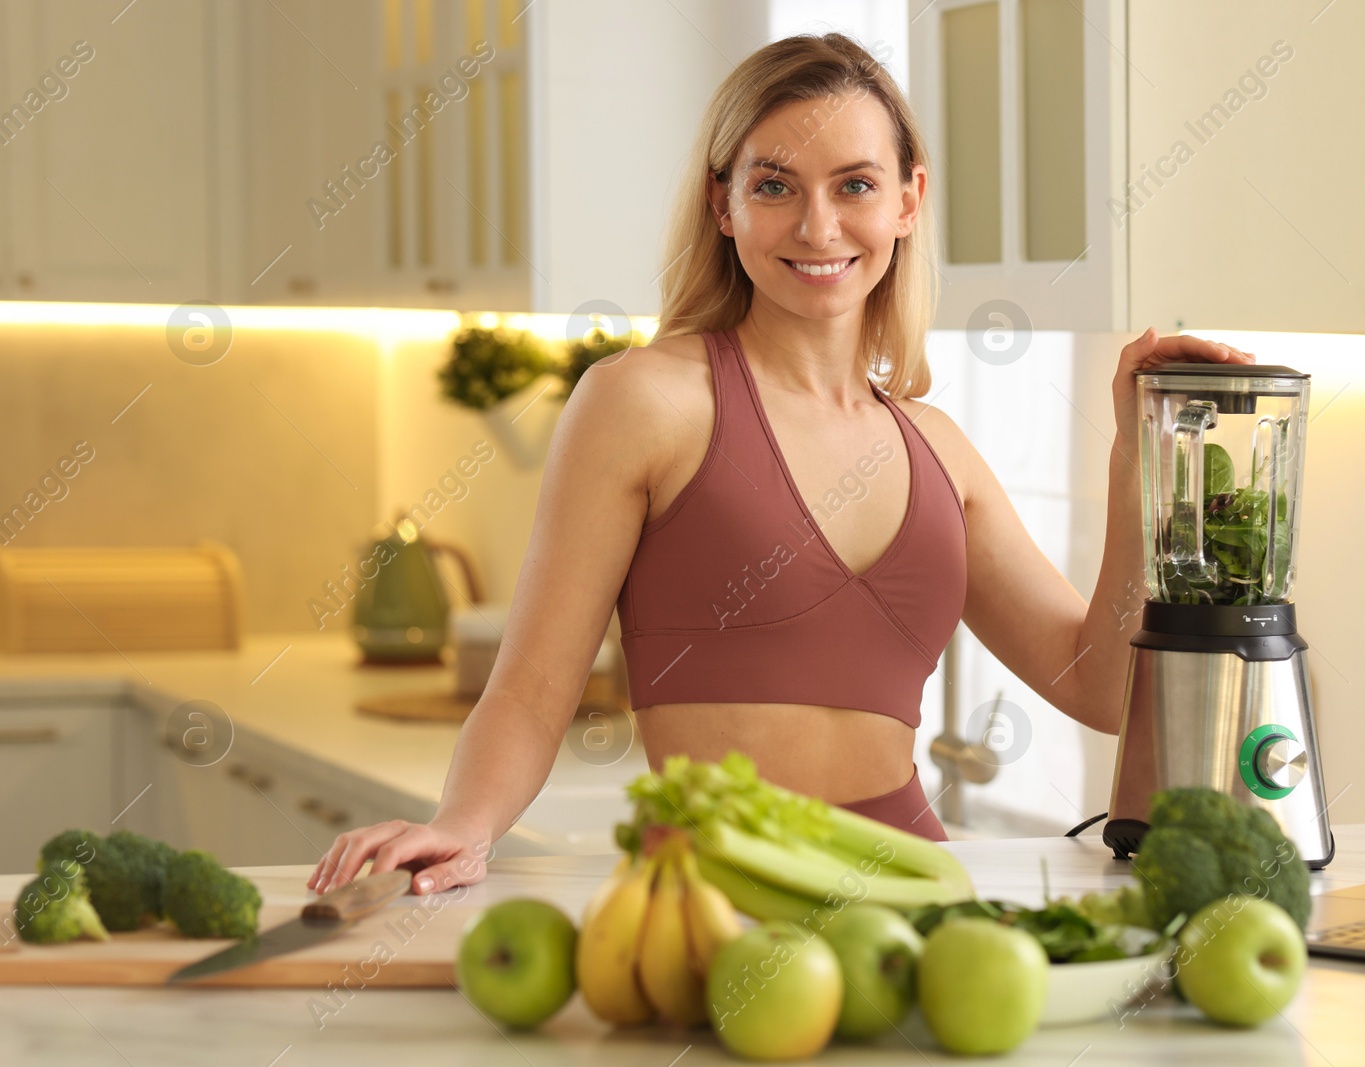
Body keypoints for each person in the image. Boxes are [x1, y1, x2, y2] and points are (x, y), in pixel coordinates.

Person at [309, 33, 1249, 896]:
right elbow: (529, 688)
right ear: (722, 203)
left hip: (918, 895)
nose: (817, 226)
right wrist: (463, 827)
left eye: (854, 185)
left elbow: (1094, 685)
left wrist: (1140, 459)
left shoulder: (939, 448)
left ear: (909, 200)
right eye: (774, 185)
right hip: (715, 893)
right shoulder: (643, 402)